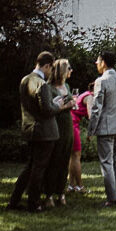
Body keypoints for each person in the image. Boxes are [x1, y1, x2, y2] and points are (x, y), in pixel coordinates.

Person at [8, 50, 70, 212]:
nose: (51, 72)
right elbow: (48, 110)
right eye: (51, 68)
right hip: (45, 131)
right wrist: (60, 105)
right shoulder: (42, 84)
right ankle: (33, 203)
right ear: (47, 66)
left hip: (29, 128)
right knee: (38, 169)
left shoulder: (25, 80)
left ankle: (14, 200)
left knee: (29, 167)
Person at [89, 51, 116, 208]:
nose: (96, 63)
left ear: (104, 63)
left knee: (107, 162)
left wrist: (91, 129)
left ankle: (111, 198)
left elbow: (96, 108)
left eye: (98, 61)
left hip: (107, 127)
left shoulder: (101, 81)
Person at [44, 58, 75, 206]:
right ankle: (49, 194)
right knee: (53, 161)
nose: (71, 70)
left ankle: (61, 193)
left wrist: (72, 104)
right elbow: (49, 109)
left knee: (64, 160)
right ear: (62, 70)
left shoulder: (67, 86)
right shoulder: (49, 88)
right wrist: (66, 106)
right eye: (69, 68)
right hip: (55, 125)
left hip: (68, 125)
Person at [69, 85, 91, 195]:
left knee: (73, 156)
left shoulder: (84, 94)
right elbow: (91, 116)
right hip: (73, 125)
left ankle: (71, 185)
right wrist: (91, 132)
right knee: (77, 156)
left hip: (71, 123)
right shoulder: (90, 97)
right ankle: (80, 186)